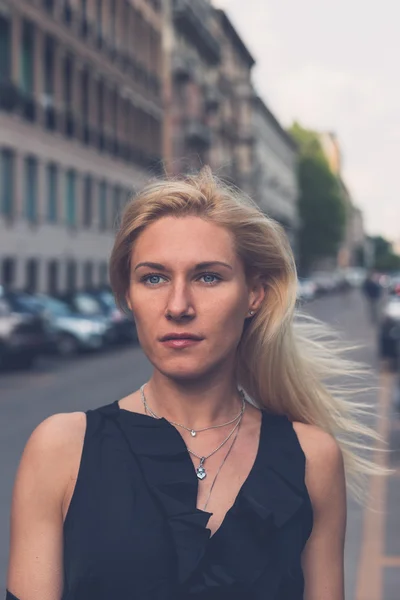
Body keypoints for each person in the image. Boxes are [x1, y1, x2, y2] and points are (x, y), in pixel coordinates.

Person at [6, 168, 379, 600]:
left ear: (254, 294)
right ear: (128, 295)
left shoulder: (313, 459)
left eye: (208, 277)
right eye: (154, 278)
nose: (178, 306)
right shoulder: (60, 450)